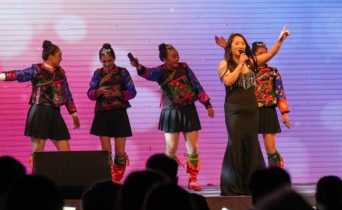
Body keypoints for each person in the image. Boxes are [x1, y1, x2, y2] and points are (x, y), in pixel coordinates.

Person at [129, 43, 215, 191]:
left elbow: (197, 86)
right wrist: (138, 66)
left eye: (177, 55)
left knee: (193, 148)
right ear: (164, 59)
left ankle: (193, 179)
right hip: (171, 112)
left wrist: (207, 104)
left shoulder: (184, 68)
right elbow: (147, 73)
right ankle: (167, 180)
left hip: (188, 110)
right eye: (173, 56)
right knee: (171, 150)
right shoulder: (160, 71)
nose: (177, 58)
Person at [0, 40, 80, 164]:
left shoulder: (60, 74)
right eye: (59, 56)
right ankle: (36, 175)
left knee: (66, 152)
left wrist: (74, 114)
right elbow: (18, 74)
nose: (61, 59)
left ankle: (64, 175)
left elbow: (67, 94)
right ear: (51, 56)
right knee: (39, 154)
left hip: (55, 113)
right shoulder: (36, 70)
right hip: (40, 112)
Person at [216, 27, 290, 196]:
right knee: (236, 144)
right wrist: (240, 64)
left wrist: (280, 40)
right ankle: (233, 186)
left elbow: (270, 54)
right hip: (234, 111)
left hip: (251, 109)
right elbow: (228, 81)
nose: (240, 45)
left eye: (242, 43)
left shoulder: (251, 61)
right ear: (230, 47)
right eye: (237, 43)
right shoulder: (224, 63)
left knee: (252, 144)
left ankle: (252, 186)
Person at [88, 43, 137, 182]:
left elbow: (133, 92)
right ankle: (107, 181)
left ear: (114, 58)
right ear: (100, 61)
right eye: (104, 61)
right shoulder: (98, 73)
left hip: (119, 113)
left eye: (109, 60)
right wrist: (99, 91)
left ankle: (116, 179)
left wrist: (119, 93)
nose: (107, 64)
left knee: (120, 153)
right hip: (102, 113)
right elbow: (90, 93)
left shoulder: (123, 72)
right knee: (106, 153)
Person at [251, 41, 292, 167]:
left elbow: (280, 93)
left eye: (266, 53)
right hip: (250, 111)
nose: (264, 56)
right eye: (260, 54)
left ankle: (274, 173)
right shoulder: (247, 72)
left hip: (268, 111)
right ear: (253, 55)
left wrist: (284, 113)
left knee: (271, 150)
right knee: (249, 149)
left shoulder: (273, 72)